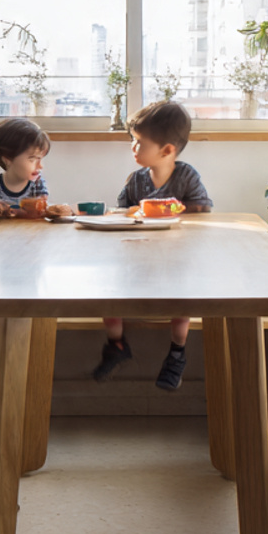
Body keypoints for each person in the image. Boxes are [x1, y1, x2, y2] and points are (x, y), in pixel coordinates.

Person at [93, 100, 212, 391]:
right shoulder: (136, 180)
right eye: (133, 141)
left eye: (139, 142)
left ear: (167, 150)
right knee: (107, 294)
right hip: (138, 254)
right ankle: (117, 345)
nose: (133, 148)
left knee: (181, 302)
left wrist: (174, 209)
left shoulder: (186, 176)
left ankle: (177, 352)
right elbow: (122, 211)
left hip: (175, 257)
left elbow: (204, 208)